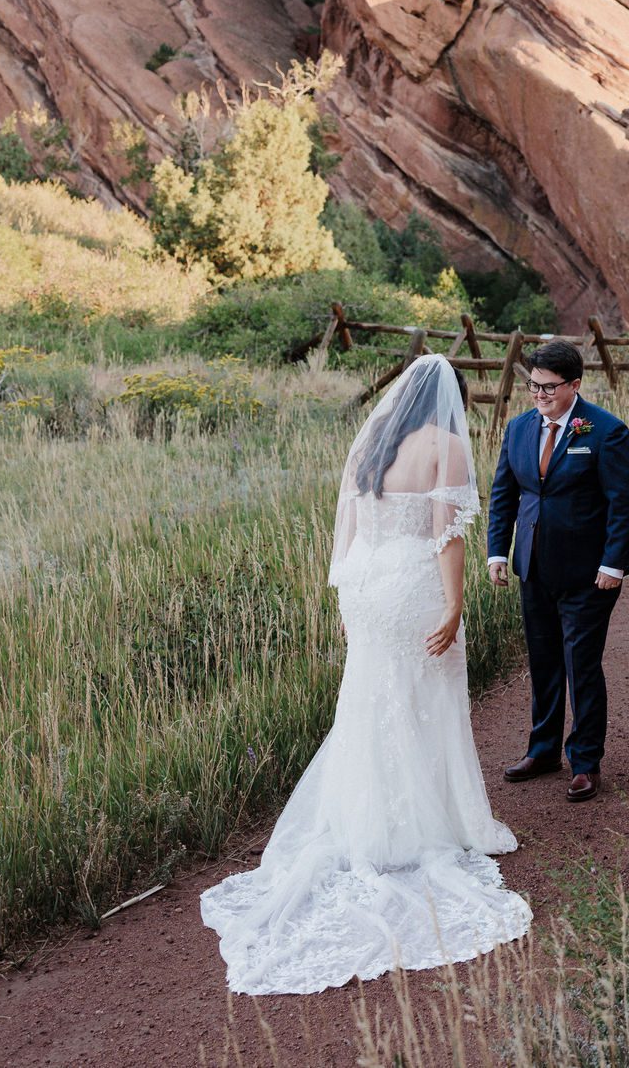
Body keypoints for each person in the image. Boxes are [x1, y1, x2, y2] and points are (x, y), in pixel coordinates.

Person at [201, 355, 530, 995]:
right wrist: (456, 604)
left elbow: (347, 531)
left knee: (368, 702)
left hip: (365, 587)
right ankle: (432, 823)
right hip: (411, 586)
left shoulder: (372, 444)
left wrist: (346, 600)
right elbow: (447, 538)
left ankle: (365, 819)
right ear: (452, 402)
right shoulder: (449, 447)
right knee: (424, 700)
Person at [486, 341, 629, 803]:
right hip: (532, 567)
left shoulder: (605, 432)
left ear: (574, 385)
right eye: (533, 384)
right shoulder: (517, 430)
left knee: (582, 666)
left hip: (590, 575)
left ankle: (586, 762)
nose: (539, 394)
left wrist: (613, 563)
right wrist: (498, 553)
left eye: (549, 387)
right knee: (544, 661)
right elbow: (503, 496)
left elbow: (623, 503)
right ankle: (544, 750)